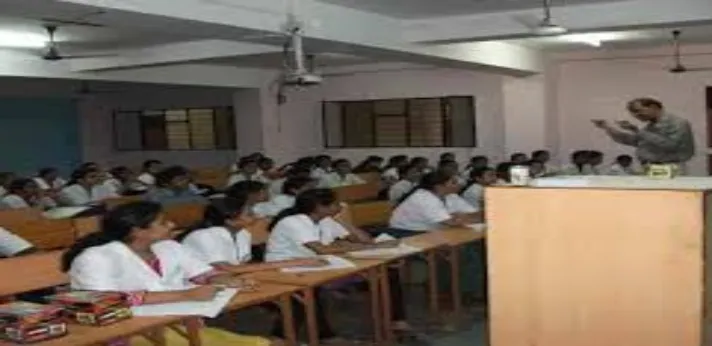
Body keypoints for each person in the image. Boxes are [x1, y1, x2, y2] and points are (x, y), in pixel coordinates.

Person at [62, 201, 271, 346]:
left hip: (174, 322)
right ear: (137, 231)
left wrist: (226, 279)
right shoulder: (96, 258)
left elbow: (201, 274)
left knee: (261, 340)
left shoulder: (169, 247)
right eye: (163, 222)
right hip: (126, 332)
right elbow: (102, 302)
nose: (172, 225)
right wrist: (184, 295)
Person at [266, 189, 410, 338]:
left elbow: (364, 239)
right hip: (287, 268)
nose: (340, 205)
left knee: (387, 274)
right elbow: (322, 249)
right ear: (319, 207)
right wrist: (372, 247)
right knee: (309, 291)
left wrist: (343, 221)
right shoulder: (293, 222)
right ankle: (320, 335)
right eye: (335, 203)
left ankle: (396, 320)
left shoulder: (327, 220)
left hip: (319, 265)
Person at [592, 98, 695, 173]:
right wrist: (607, 128)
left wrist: (637, 131)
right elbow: (633, 141)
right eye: (633, 113)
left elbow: (670, 145)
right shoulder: (650, 127)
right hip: (651, 167)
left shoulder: (677, 123)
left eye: (638, 111)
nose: (636, 116)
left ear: (653, 107)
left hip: (668, 167)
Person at [389, 171, 481, 233]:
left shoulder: (452, 196)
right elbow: (450, 222)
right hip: (408, 232)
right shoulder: (424, 198)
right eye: (453, 182)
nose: (459, 185)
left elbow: (474, 213)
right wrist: (459, 217)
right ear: (439, 186)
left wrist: (464, 217)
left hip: (432, 229)